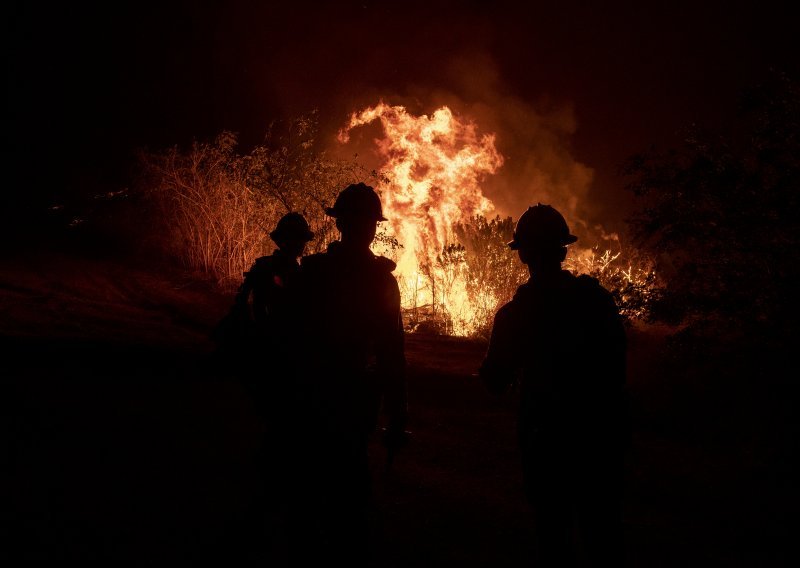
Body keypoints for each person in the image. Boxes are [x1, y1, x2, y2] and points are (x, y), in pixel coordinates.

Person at [479, 204, 628, 567]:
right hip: (598, 438)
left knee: (553, 537)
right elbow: (617, 364)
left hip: (544, 440)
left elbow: (495, 381)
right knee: (602, 535)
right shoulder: (596, 299)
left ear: (523, 254)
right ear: (564, 250)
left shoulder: (516, 314)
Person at [292, 182, 408, 566]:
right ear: (374, 227)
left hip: (313, 391)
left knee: (311, 483)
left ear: (337, 224)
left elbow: (289, 337)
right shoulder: (381, 279)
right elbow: (392, 352)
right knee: (349, 486)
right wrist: (396, 413)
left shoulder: (312, 271)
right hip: (355, 394)